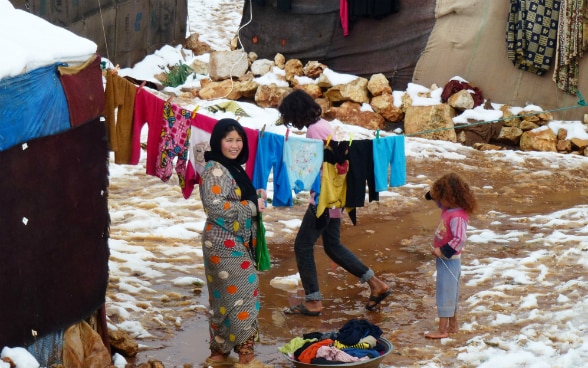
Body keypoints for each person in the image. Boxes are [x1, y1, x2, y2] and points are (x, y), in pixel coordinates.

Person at [278, 89, 391, 316]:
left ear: (296, 112)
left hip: (324, 198)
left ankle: (313, 302)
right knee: (333, 246)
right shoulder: (323, 126)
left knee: (302, 246)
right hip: (334, 198)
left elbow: (324, 166)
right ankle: (376, 284)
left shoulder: (314, 130)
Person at [199, 118, 271, 368]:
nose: (235, 145)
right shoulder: (215, 169)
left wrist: (254, 196)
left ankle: (218, 355)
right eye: (229, 140)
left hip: (229, 242)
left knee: (223, 300)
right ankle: (246, 358)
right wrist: (252, 206)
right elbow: (215, 207)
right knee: (244, 298)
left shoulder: (232, 167)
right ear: (218, 141)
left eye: (239, 140)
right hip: (223, 243)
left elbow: (233, 196)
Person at [424, 172, 477, 339]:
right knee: (451, 291)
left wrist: (442, 250)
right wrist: (431, 193)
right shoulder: (449, 208)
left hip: (449, 260)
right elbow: (437, 202)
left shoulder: (458, 216)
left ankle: (442, 330)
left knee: (445, 292)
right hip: (445, 259)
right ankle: (453, 325)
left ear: (450, 198)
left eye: (441, 197)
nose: (439, 202)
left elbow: (459, 239)